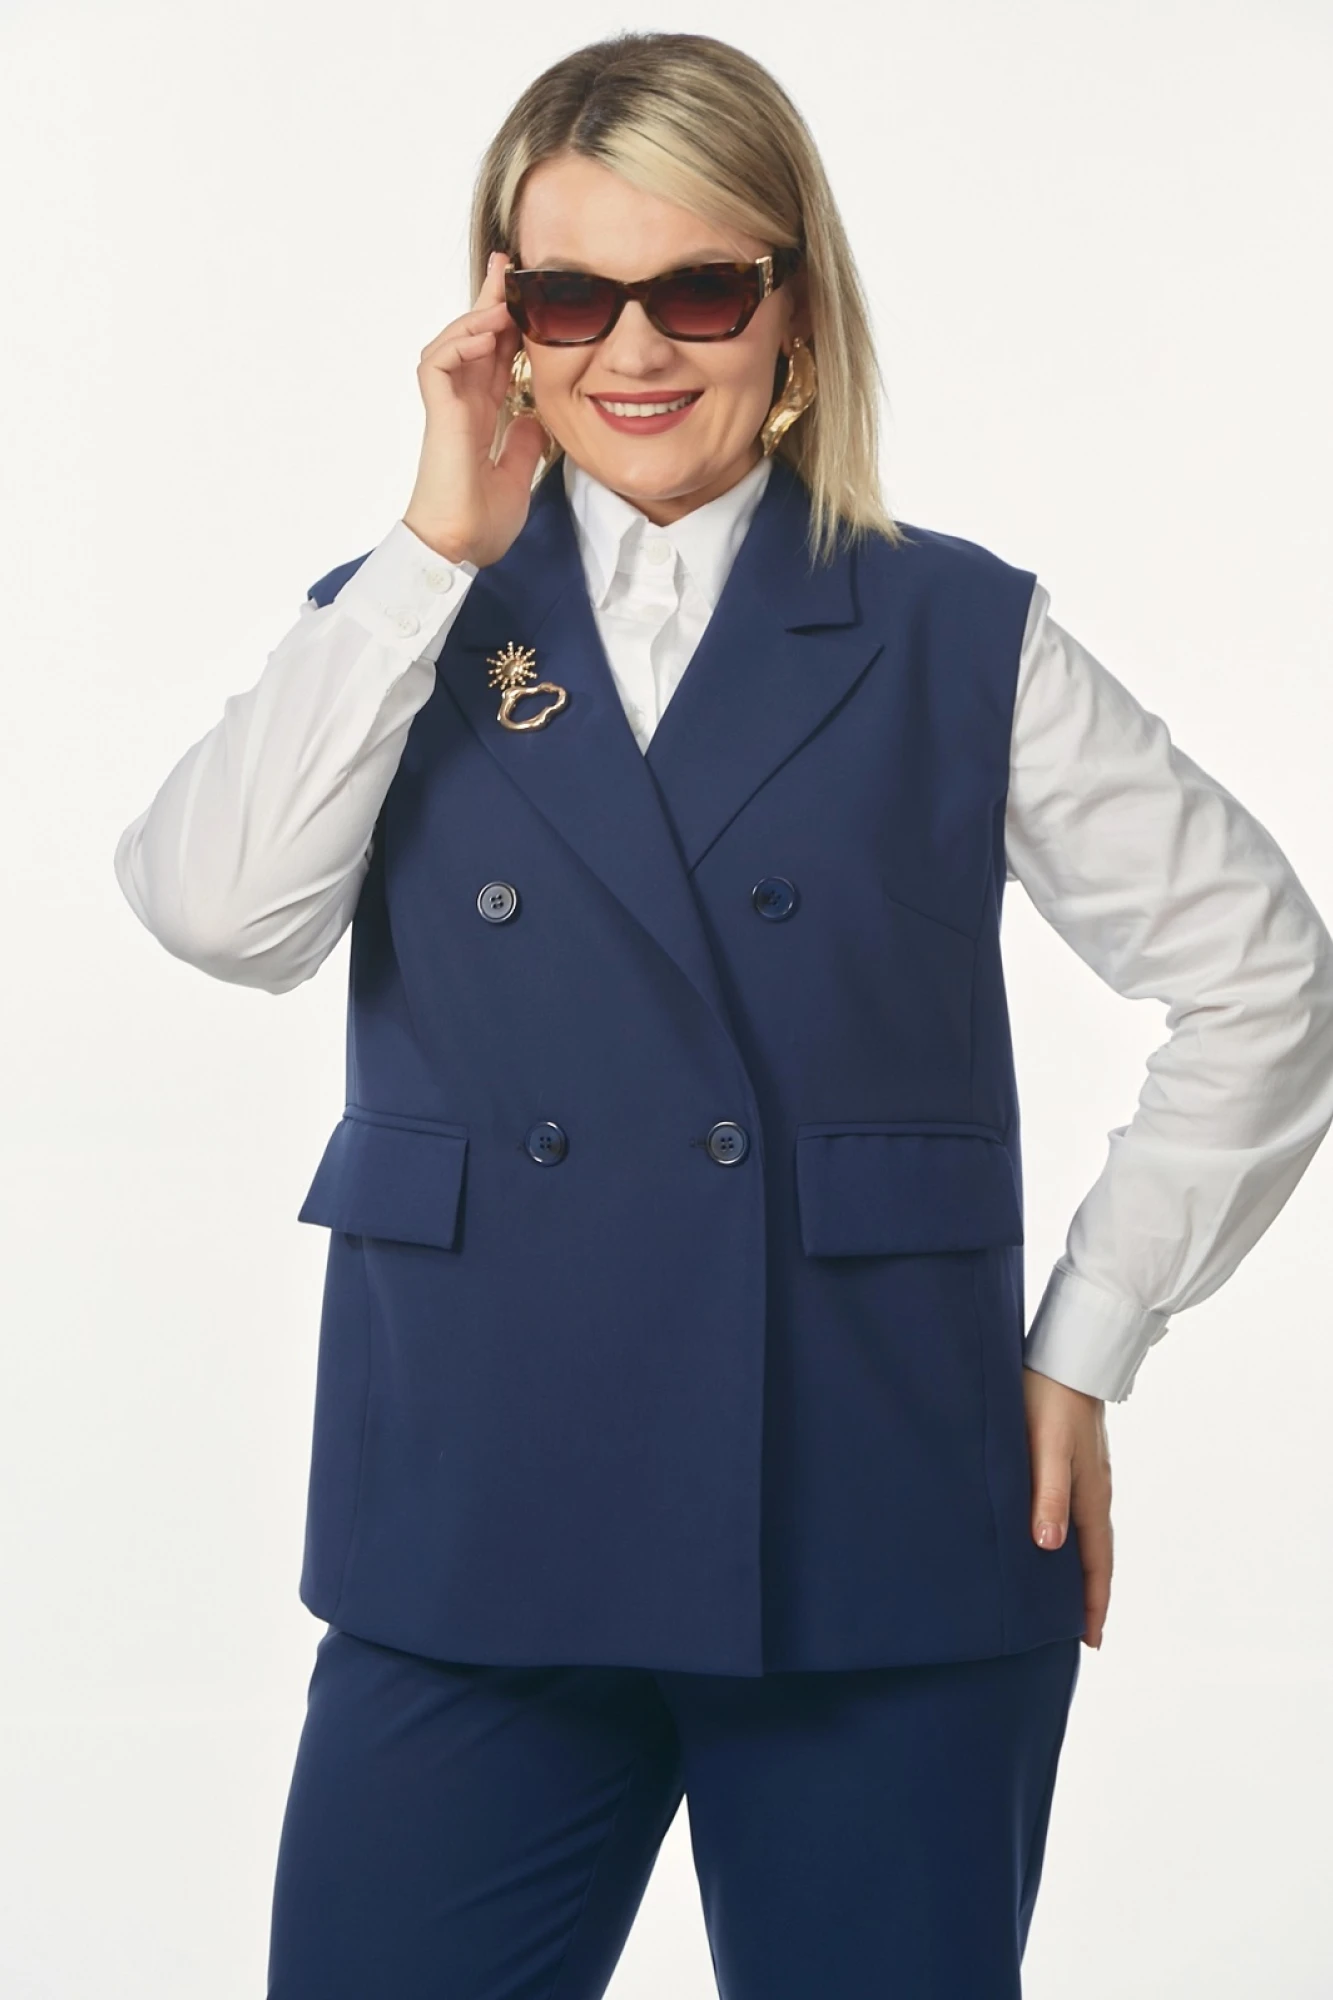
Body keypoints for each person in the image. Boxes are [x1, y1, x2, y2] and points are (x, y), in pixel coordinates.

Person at [111, 29, 1333, 2000]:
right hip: (478, 1520)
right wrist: (434, 547)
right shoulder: (403, 618)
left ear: (797, 317)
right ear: (502, 329)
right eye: (567, 297)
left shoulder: (957, 631)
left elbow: (1267, 974)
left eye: (696, 290)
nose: (633, 349)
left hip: (879, 1509)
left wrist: (1093, 1332)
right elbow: (212, 911)